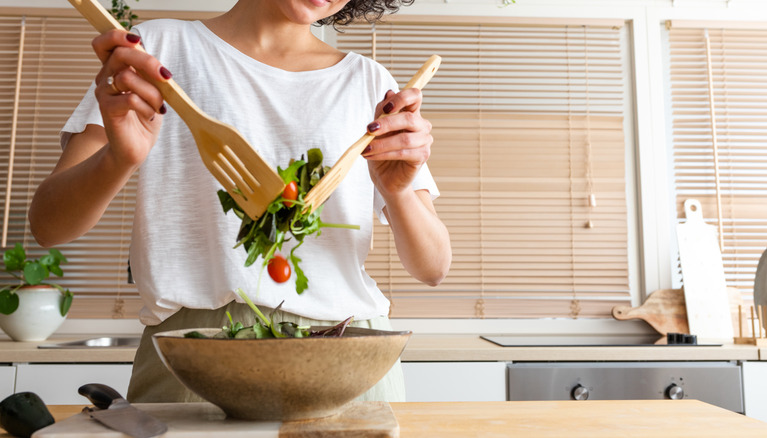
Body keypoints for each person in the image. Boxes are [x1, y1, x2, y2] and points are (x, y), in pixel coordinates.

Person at [28, 0, 451, 403]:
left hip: (349, 357)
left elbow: (433, 266)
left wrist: (397, 192)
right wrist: (119, 159)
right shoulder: (158, 51)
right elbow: (49, 227)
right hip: (194, 358)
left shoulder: (370, 82)